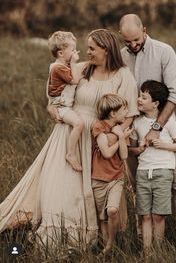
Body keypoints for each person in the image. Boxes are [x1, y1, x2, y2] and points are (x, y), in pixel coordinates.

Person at [0, 29, 139, 247]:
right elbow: (56, 95)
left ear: (106, 49)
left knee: (97, 193)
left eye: (92, 48)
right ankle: (63, 237)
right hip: (69, 136)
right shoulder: (81, 69)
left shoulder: (123, 75)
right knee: (65, 189)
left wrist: (111, 139)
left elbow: (129, 116)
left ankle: (100, 242)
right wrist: (52, 109)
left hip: (100, 142)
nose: (88, 52)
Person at [119, 14, 176, 247]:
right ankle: (144, 240)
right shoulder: (120, 57)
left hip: (163, 123)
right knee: (136, 183)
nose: (132, 45)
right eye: (127, 41)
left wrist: (156, 128)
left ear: (145, 30)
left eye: (136, 40)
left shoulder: (164, 51)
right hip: (132, 128)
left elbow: (174, 94)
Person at [129, 80, 176, 253]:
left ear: (155, 103)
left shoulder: (167, 122)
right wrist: (138, 148)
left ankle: (159, 251)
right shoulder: (137, 123)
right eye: (139, 96)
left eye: (143, 97)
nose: (139, 99)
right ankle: (147, 253)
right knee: (145, 215)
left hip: (163, 172)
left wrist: (163, 145)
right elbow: (131, 150)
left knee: (158, 215)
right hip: (143, 172)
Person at [91, 94, 133, 256]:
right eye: (124, 110)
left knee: (112, 211)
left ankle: (109, 245)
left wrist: (121, 136)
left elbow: (123, 156)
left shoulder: (120, 130)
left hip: (116, 177)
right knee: (103, 217)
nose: (127, 113)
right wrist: (120, 137)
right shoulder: (98, 127)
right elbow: (107, 153)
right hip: (98, 178)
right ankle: (106, 249)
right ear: (112, 114)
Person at [47, 31, 84, 171]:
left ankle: (71, 152)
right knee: (79, 124)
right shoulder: (58, 68)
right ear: (61, 53)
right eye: (73, 50)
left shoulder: (60, 66)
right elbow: (75, 80)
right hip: (61, 107)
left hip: (63, 105)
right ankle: (71, 154)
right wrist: (74, 62)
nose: (75, 52)